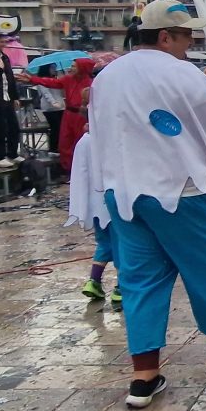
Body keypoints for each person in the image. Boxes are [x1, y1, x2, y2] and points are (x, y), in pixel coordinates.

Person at [89, 0, 206, 408]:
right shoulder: (179, 72)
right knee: (205, 270)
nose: (189, 43)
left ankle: (144, 374)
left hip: (126, 193)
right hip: (182, 191)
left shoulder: (107, 76)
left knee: (140, 278)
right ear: (165, 36)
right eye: (185, 36)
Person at [68, 120, 120, 303]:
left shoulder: (83, 142)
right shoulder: (110, 138)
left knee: (104, 242)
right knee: (123, 243)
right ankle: (120, 288)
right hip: (115, 201)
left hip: (95, 203)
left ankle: (94, 281)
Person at [17, 57, 94, 175]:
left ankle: (83, 169)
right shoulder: (68, 79)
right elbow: (52, 82)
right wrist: (33, 79)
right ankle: (67, 170)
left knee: (80, 142)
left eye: (74, 66)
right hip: (68, 114)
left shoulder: (91, 83)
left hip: (81, 114)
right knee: (64, 142)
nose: (71, 68)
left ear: (82, 68)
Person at [0, 31, 20, 168]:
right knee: (0, 128)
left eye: (5, 42)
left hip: (7, 96)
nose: (4, 45)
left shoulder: (4, 57)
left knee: (13, 126)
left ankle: (12, 153)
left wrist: (15, 96)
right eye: (1, 42)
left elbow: (10, 78)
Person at [33, 65, 64, 155]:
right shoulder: (42, 80)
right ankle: (53, 148)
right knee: (55, 127)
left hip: (60, 105)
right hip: (49, 108)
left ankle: (59, 146)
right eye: (52, 68)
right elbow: (46, 93)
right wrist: (53, 102)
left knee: (60, 127)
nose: (54, 70)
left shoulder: (56, 79)